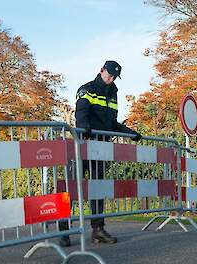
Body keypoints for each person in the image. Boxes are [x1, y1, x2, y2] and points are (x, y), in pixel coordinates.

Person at [59, 60, 142, 247]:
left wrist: (130, 133)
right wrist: (85, 128)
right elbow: (81, 115)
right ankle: (64, 230)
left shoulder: (113, 94)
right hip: (82, 145)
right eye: (109, 75)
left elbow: (112, 123)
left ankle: (98, 230)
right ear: (102, 70)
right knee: (71, 188)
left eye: (114, 77)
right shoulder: (86, 89)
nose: (111, 79)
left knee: (98, 189)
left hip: (101, 149)